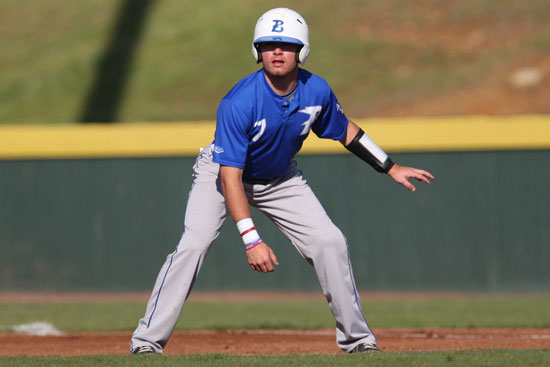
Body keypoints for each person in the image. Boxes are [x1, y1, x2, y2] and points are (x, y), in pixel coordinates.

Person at [130, 7, 433, 355]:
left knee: (330, 242)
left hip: (280, 177)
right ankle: (146, 342)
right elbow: (231, 177)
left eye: (286, 45)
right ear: (257, 50)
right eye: (269, 44)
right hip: (223, 173)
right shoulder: (239, 101)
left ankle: (358, 341)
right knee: (193, 245)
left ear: (301, 51)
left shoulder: (316, 90)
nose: (276, 51)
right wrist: (251, 239)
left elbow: (345, 130)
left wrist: (389, 166)